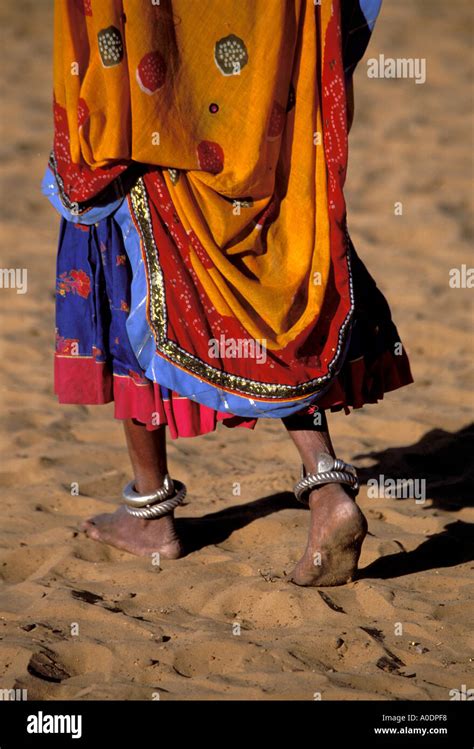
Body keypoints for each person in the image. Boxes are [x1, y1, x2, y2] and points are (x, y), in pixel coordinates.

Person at [43, 0, 412, 587]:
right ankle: (327, 488)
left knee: (134, 294)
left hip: (150, 118)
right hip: (253, 128)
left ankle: (151, 513)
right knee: (270, 302)